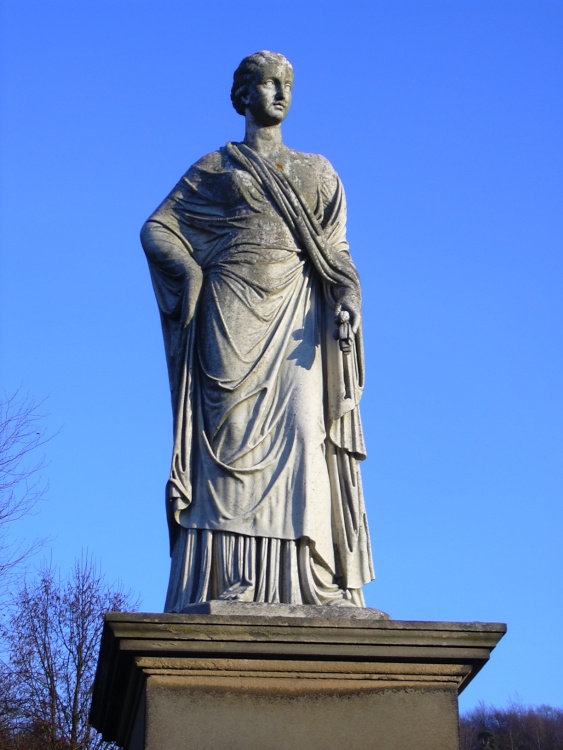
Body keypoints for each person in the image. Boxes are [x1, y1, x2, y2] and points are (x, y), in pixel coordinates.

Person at [141, 51, 374, 611]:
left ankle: (311, 579)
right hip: (229, 315)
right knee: (228, 443)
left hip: (296, 319)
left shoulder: (318, 172)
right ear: (242, 95)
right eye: (266, 83)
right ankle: (230, 579)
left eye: (286, 84)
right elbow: (157, 228)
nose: (279, 93)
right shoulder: (215, 169)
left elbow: (337, 254)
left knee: (302, 434)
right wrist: (191, 270)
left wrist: (347, 296)